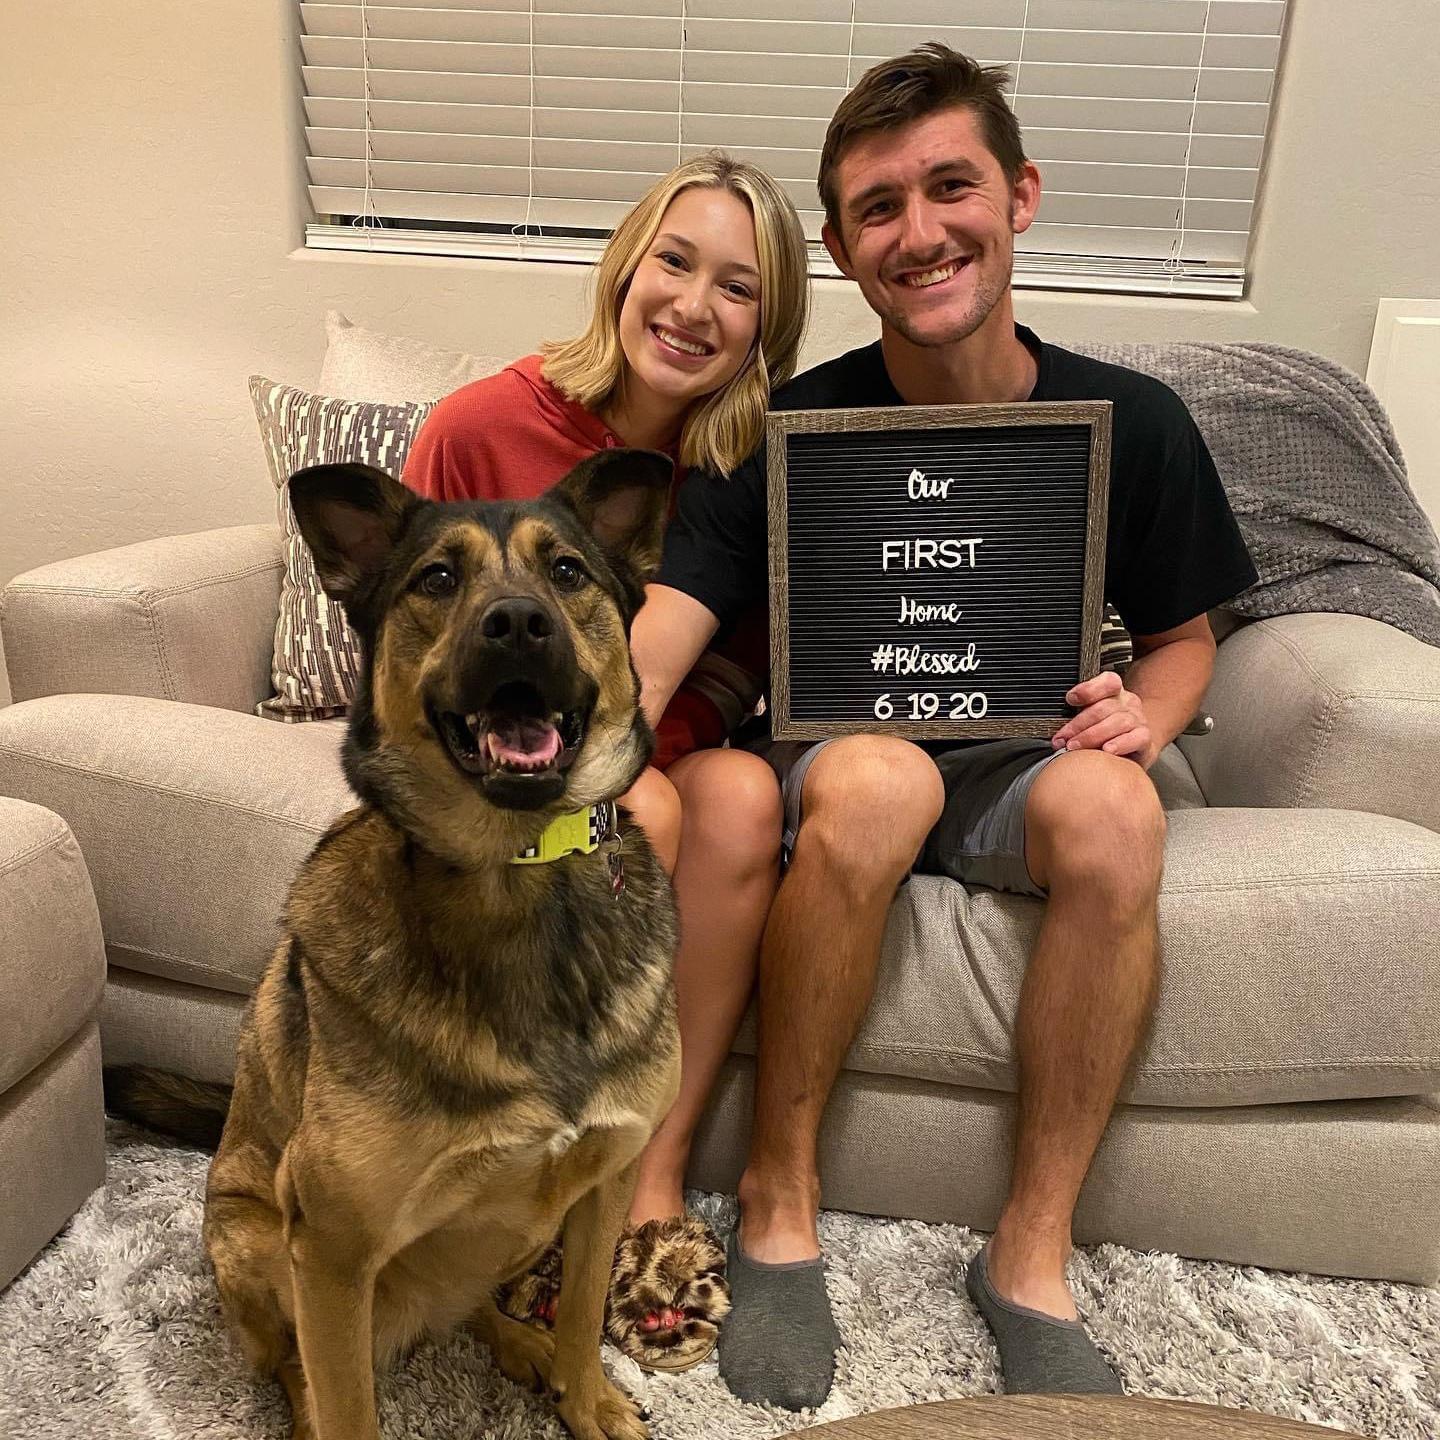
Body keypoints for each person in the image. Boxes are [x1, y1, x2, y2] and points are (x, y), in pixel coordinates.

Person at [630, 45, 1258, 1409]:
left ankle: (1029, 1256)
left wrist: (1146, 716)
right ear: (843, 251)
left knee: (1118, 813)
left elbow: (1184, 639)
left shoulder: (1133, 424)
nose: (918, 232)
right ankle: (779, 1199)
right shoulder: (784, 427)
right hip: (840, 760)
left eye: (950, 187)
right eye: (877, 208)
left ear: (1019, 195)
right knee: (875, 779)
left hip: (1022, 754)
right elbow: (665, 630)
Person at [401, 152, 811, 1371]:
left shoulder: (748, 470)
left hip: (663, 751)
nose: (693, 305)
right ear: (625, 270)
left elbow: (746, 661)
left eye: (737, 288)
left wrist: (671, 738)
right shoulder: (481, 427)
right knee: (651, 812)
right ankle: (525, 1179)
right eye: (674, 263)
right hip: (487, 766)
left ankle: (649, 1177)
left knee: (738, 797)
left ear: (767, 326)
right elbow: (402, 643)